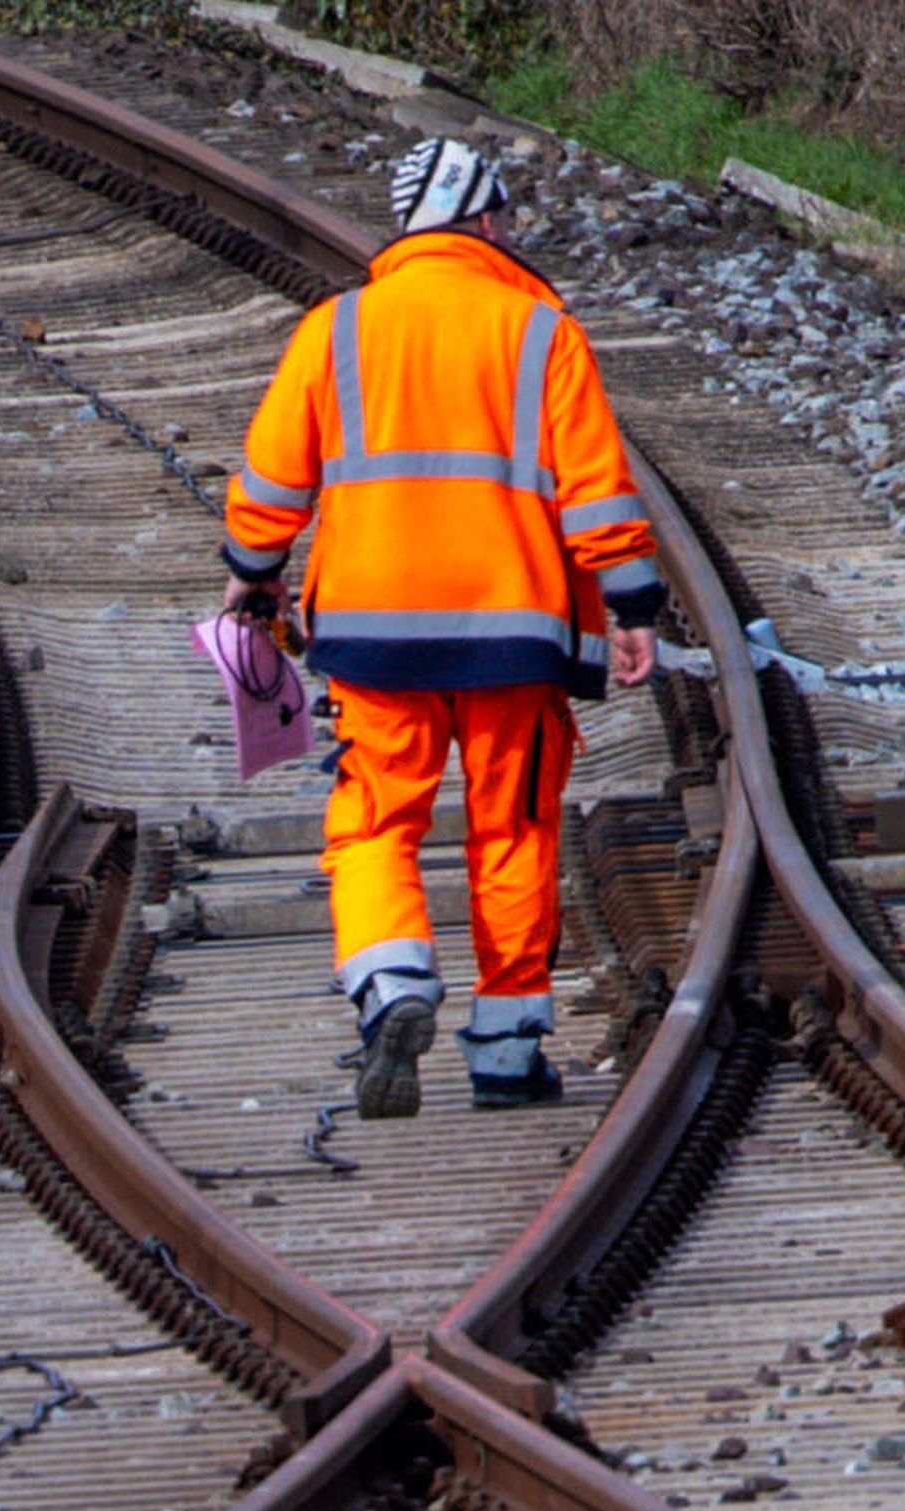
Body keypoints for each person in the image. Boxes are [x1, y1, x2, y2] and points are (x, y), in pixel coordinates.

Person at [219, 140, 666, 1117]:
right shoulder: (544, 330)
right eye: (503, 211)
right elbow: (596, 496)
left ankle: (392, 981)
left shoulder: (336, 329)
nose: (511, 228)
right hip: (515, 632)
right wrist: (634, 606)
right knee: (515, 832)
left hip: (376, 638)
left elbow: (271, 482)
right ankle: (507, 1057)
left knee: (376, 819)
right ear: (478, 217)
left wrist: (254, 579)